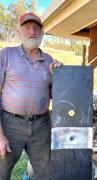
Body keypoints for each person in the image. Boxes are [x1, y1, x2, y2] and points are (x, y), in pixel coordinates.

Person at [0, 12, 62, 180]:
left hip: (41, 126)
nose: (32, 31)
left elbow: (55, 97)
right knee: (2, 172)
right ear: (20, 31)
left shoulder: (49, 60)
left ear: (41, 33)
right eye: (27, 27)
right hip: (10, 124)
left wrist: (59, 76)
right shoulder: (5, 55)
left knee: (46, 172)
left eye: (36, 28)